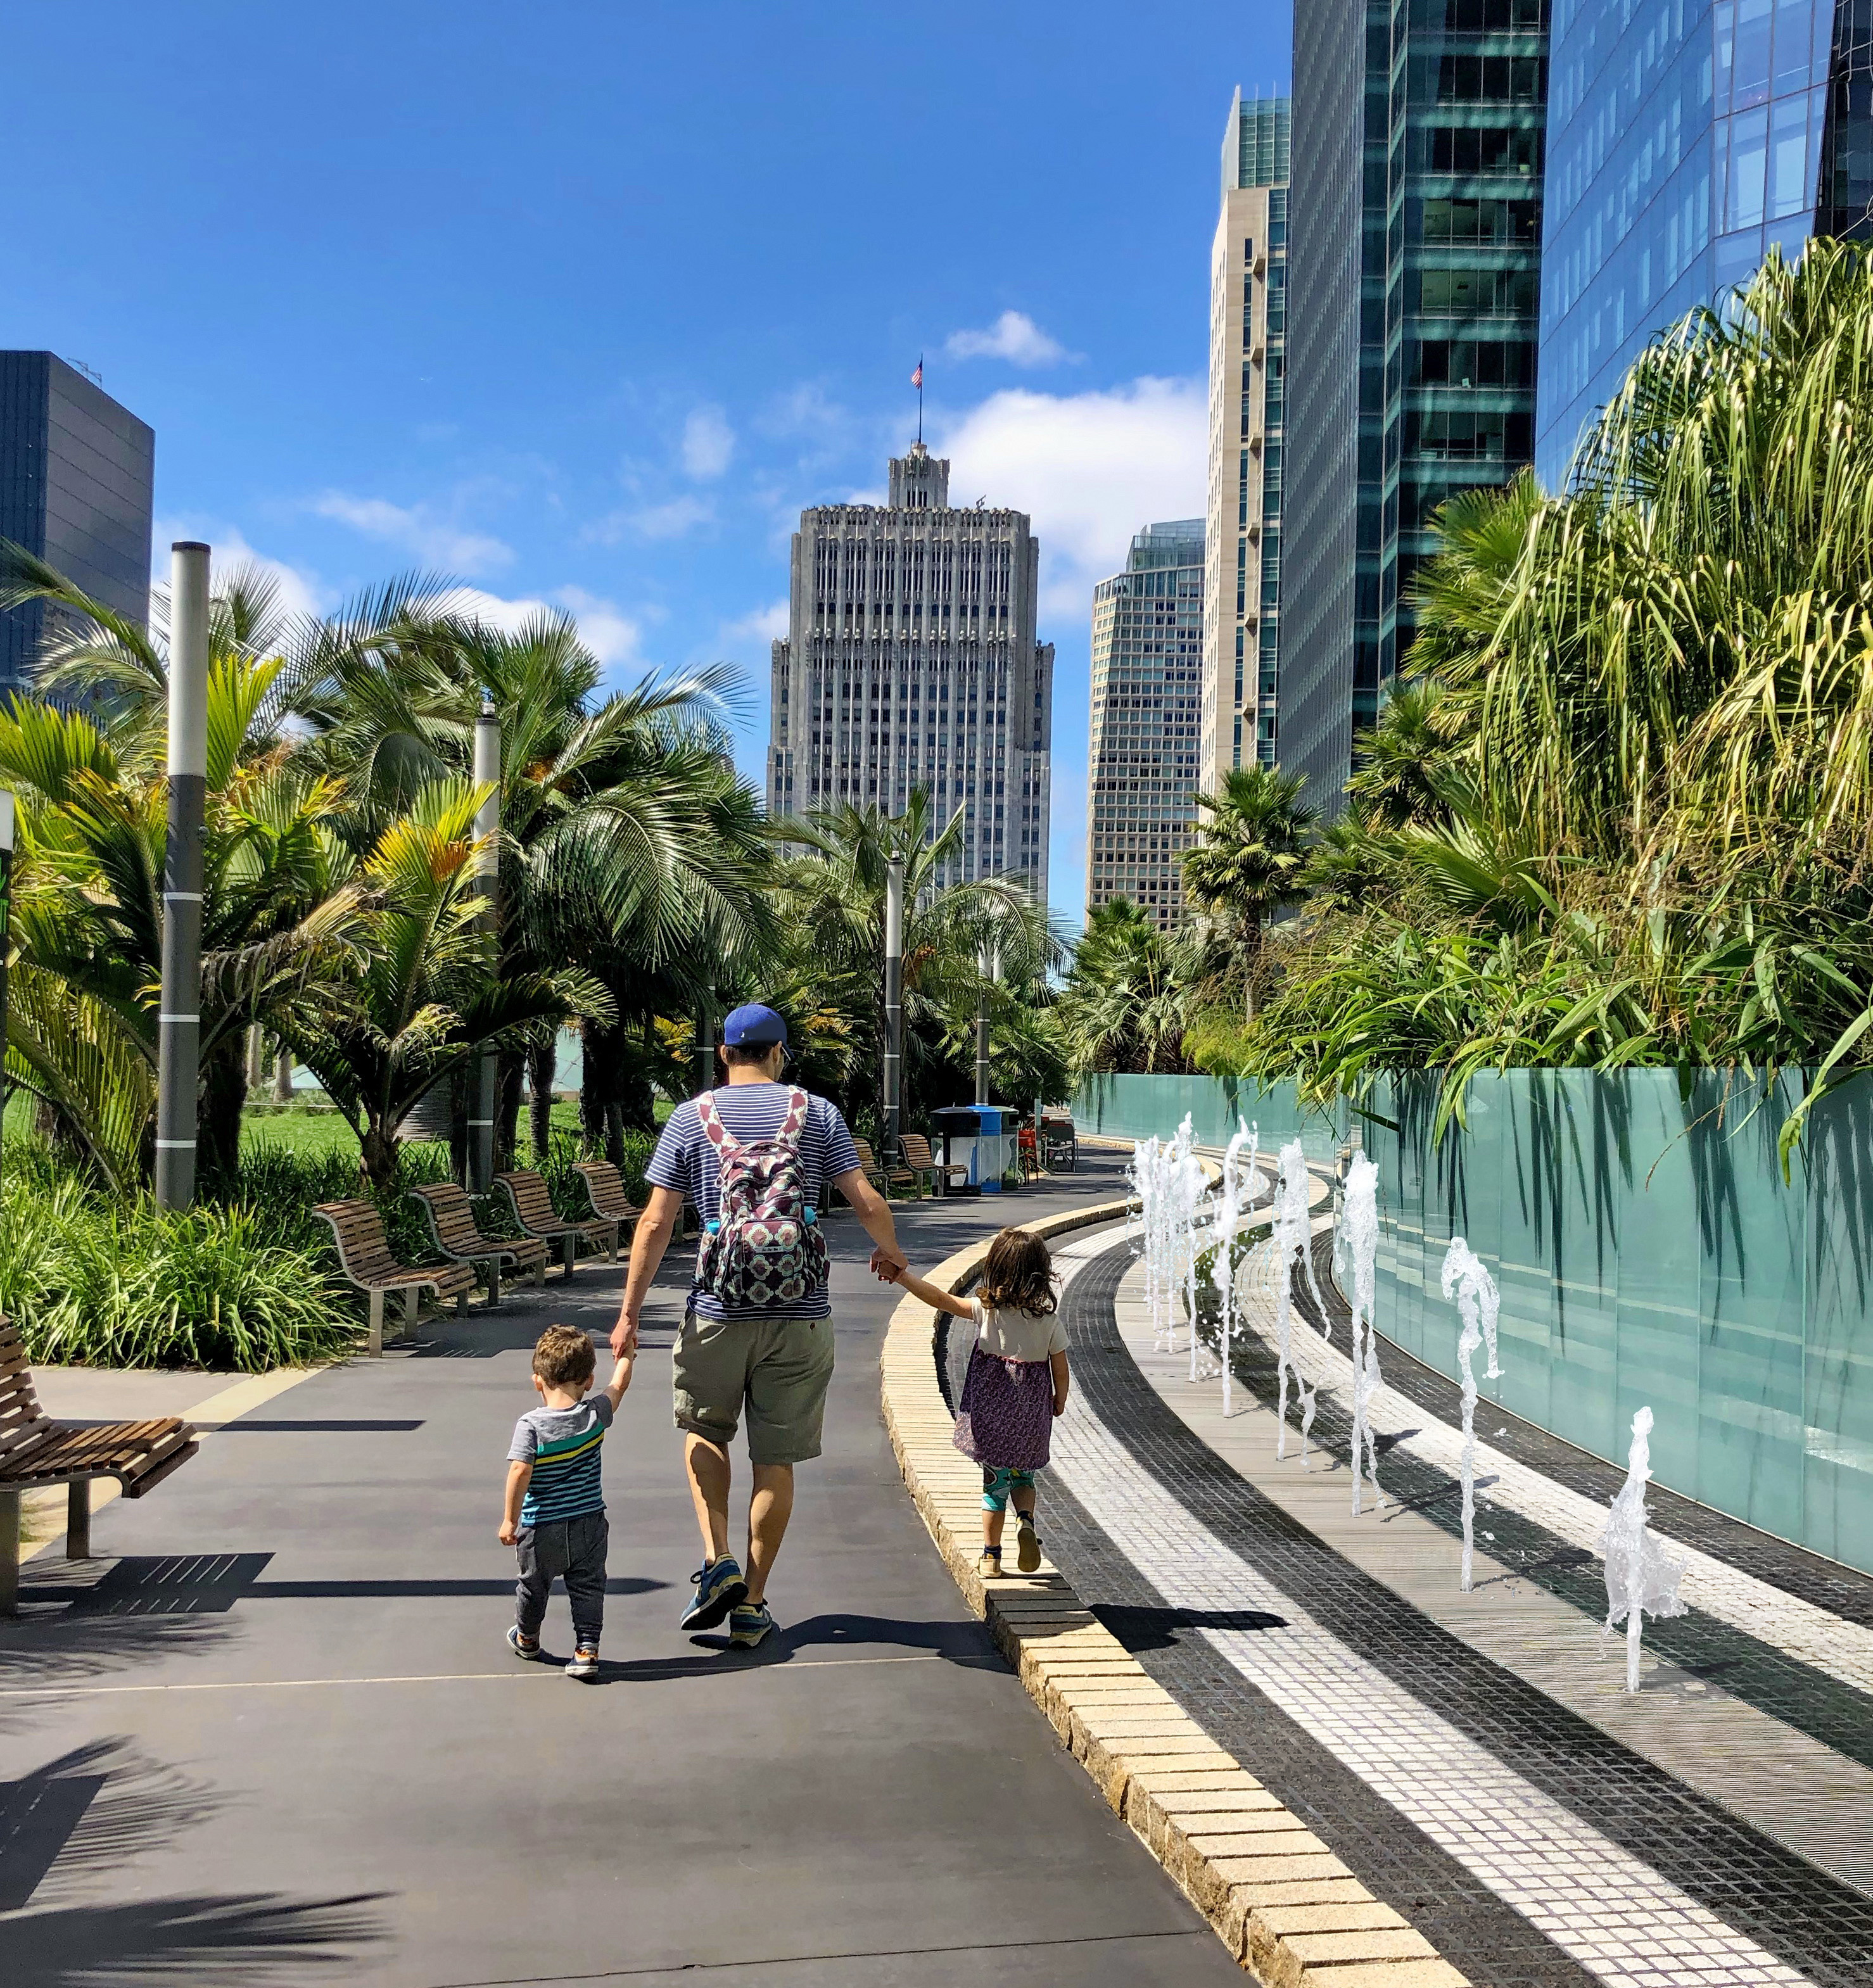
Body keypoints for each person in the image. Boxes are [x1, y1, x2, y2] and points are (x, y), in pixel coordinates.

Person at [611, 1003, 907, 1649]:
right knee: (774, 1459)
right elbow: (865, 1199)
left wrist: (629, 1313)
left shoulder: (692, 1117)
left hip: (717, 1310)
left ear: (723, 1054)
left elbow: (655, 1223)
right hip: (799, 1314)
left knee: (701, 1429)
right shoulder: (817, 1114)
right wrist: (890, 1253)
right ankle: (753, 1600)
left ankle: (715, 1559)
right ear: (779, 1053)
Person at [886, 1227, 1069, 1579]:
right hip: (1030, 1417)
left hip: (991, 1418)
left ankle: (991, 1556)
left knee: (993, 1487)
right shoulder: (1048, 1322)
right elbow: (1060, 1369)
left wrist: (904, 1276)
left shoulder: (987, 1312)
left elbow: (940, 1299)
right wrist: (1058, 1400)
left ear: (996, 1270)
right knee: (1024, 1476)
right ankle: (1026, 1521)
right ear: (1041, 1273)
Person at [502, 1324, 634, 1680]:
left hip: (541, 1525)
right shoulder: (594, 1416)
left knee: (533, 1585)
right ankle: (587, 1649)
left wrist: (509, 1521)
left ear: (537, 1380)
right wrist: (627, 1355)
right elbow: (619, 1386)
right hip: (589, 1522)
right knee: (589, 1587)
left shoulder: (530, 1426)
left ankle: (528, 1638)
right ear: (589, 1381)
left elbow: (519, 1472)